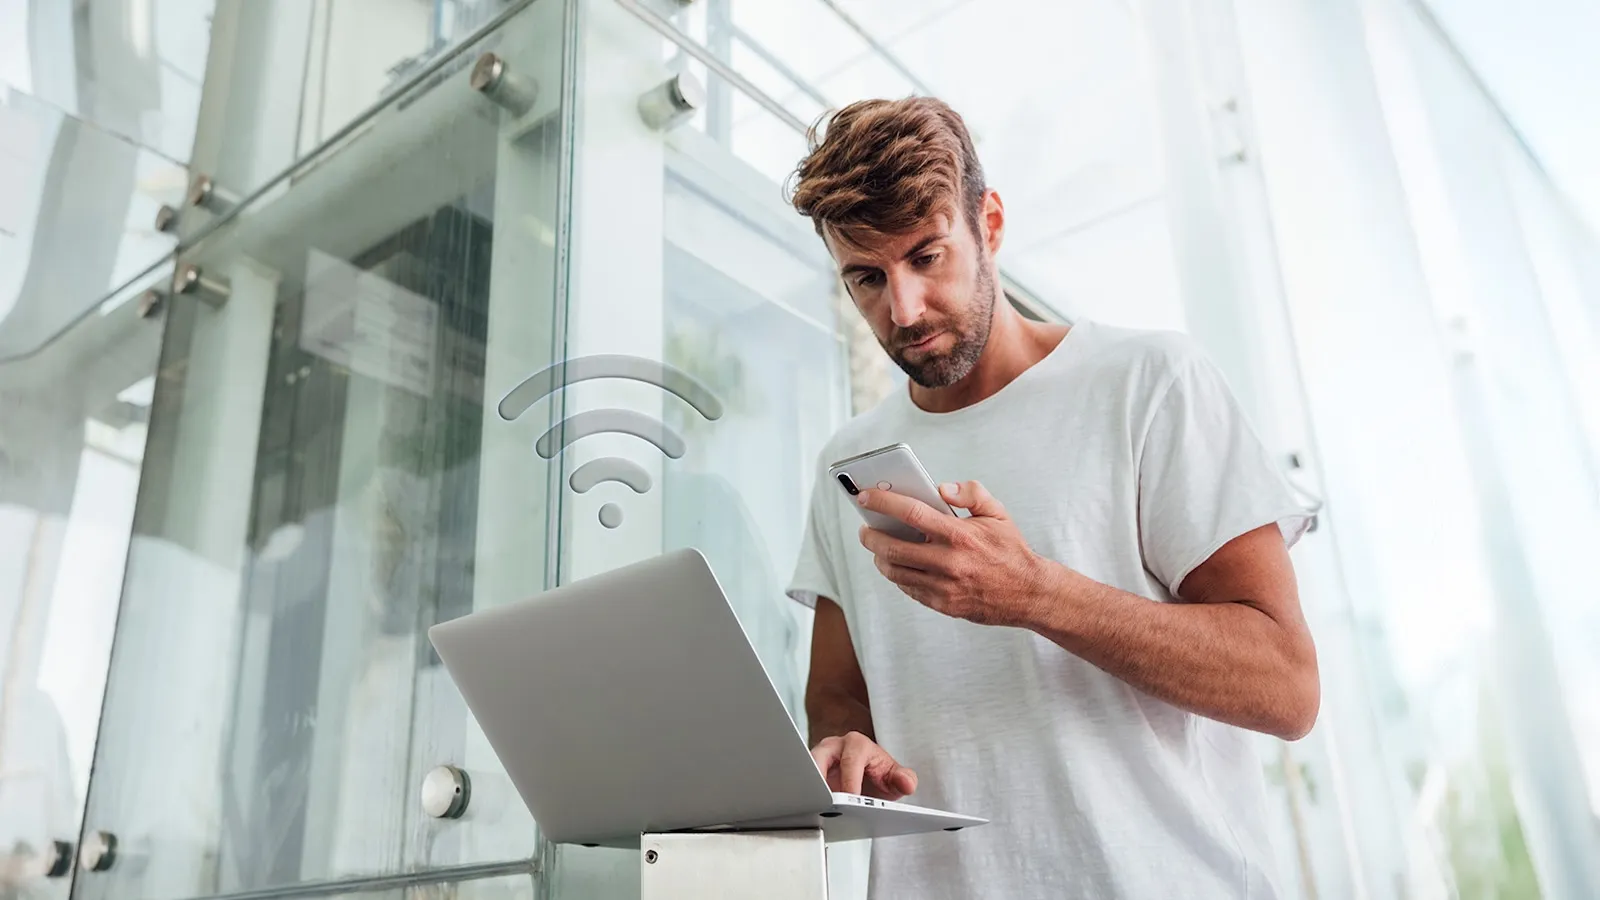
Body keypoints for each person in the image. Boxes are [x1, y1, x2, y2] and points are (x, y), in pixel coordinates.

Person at [784, 97, 1320, 899]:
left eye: (927, 256)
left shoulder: (1147, 384)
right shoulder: (848, 461)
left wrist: (1035, 594)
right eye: (867, 277)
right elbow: (838, 693)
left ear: (990, 225)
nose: (903, 309)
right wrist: (844, 743)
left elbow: (1286, 686)